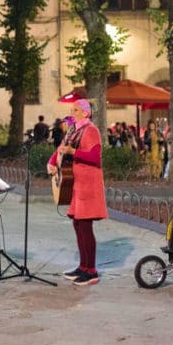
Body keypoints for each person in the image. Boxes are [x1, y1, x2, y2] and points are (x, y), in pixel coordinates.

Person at [46, 99, 107, 286]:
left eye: (75, 110)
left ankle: (91, 271)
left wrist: (74, 151)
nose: (71, 113)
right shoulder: (74, 131)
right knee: (78, 225)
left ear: (86, 113)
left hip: (89, 184)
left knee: (85, 226)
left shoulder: (91, 130)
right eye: (71, 109)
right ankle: (83, 267)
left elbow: (95, 157)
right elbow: (61, 150)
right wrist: (51, 162)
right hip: (77, 184)